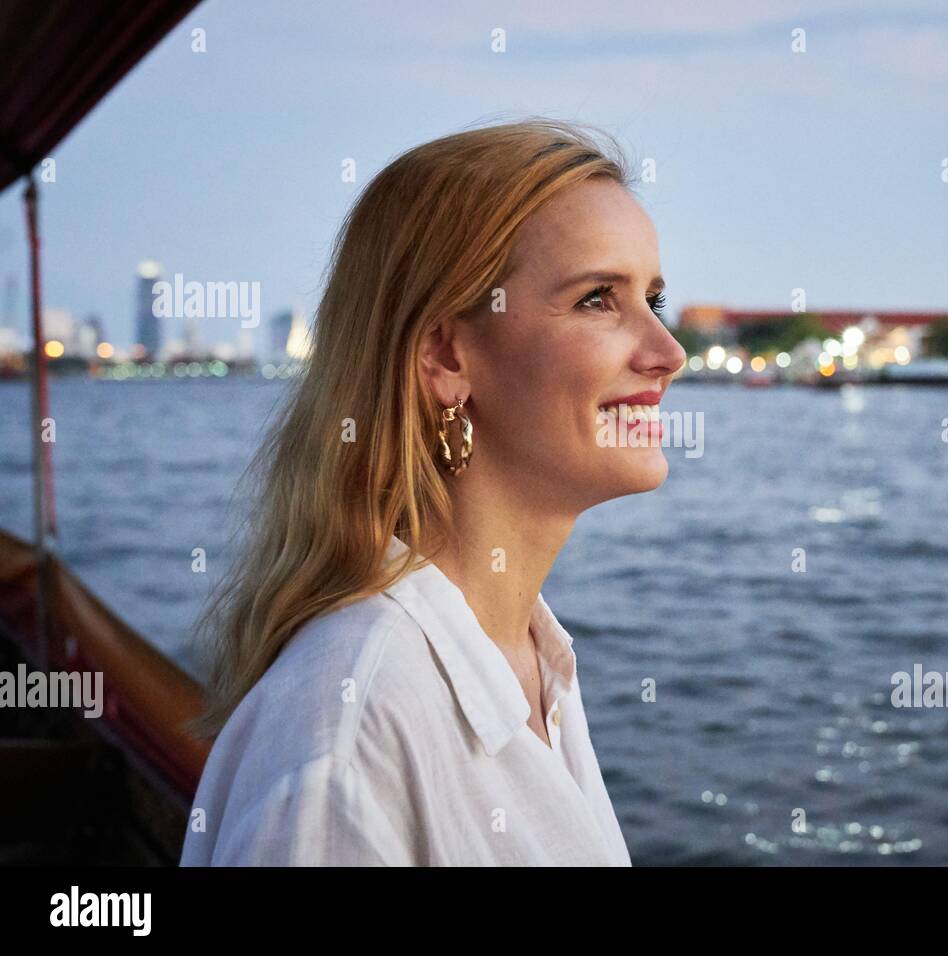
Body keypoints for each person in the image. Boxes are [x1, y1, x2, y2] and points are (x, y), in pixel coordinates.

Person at [180, 117, 686, 865]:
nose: (669, 354)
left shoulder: (531, 663)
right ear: (448, 355)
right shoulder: (352, 738)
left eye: (655, 299)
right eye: (597, 300)